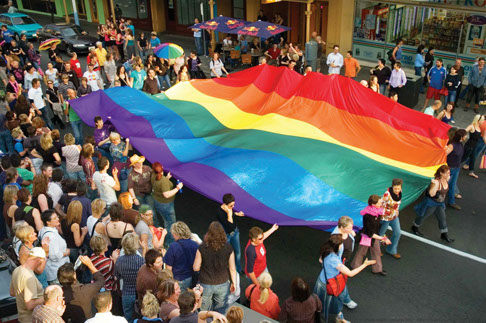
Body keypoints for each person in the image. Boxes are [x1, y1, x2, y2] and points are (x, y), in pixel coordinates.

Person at [314, 234, 375, 323]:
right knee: (331, 303)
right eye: (341, 244)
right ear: (337, 246)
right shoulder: (333, 260)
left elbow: (320, 260)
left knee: (321, 304)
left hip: (322, 280)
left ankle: (330, 317)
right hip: (331, 284)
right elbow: (350, 273)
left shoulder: (326, 250)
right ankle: (334, 317)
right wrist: (365, 264)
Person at [193, 221, 237, 314]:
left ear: (209, 233)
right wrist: (234, 283)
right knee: (220, 308)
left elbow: (196, 268)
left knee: (203, 309)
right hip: (222, 283)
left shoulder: (202, 247)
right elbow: (232, 268)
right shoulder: (228, 248)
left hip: (205, 283)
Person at [412, 165, 455, 242]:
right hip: (431, 203)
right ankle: (415, 226)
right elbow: (431, 194)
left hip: (440, 203)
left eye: (449, 172)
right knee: (423, 216)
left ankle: (444, 234)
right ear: (441, 173)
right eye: (447, 173)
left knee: (442, 218)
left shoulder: (446, 179)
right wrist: (435, 185)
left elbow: (444, 192)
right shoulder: (436, 182)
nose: (449, 174)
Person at [350, 195, 391, 275]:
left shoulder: (377, 212)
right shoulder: (368, 216)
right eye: (379, 203)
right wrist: (383, 238)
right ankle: (355, 266)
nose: (381, 204)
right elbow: (370, 233)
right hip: (367, 236)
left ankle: (377, 269)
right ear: (373, 204)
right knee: (362, 252)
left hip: (374, 235)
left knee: (376, 252)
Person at [115, 233, 147, 322]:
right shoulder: (141, 260)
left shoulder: (119, 261)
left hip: (126, 293)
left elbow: (117, 276)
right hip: (139, 293)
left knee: (128, 318)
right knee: (139, 317)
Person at [9, 247, 45, 323]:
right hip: (31, 320)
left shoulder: (17, 270)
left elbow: (12, 293)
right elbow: (30, 305)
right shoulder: (30, 277)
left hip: (21, 318)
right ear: (39, 260)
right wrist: (45, 297)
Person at [151, 162, 182, 244]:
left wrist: (167, 178)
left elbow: (159, 186)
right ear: (162, 168)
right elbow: (166, 195)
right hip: (166, 205)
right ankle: (170, 242)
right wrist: (178, 188)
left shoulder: (153, 176)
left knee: (165, 219)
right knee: (170, 223)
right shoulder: (163, 181)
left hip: (157, 201)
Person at [164, 221, 199, 291]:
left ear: (177, 234)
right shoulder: (195, 244)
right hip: (192, 277)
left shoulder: (173, 246)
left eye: (173, 234)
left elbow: (168, 268)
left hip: (178, 279)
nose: (173, 236)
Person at [38, 210, 70, 284]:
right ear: (48, 222)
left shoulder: (43, 230)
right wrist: (66, 253)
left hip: (55, 269)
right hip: (56, 271)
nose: (58, 219)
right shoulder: (51, 236)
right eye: (54, 218)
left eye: (57, 217)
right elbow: (54, 255)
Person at [217, 193, 244, 273]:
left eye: (233, 205)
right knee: (225, 253)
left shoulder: (229, 209)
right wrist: (229, 213)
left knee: (237, 252)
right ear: (225, 204)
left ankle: (238, 269)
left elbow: (232, 217)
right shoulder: (220, 213)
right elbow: (230, 225)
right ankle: (224, 271)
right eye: (231, 206)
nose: (233, 207)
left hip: (235, 233)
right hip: (226, 235)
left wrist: (236, 214)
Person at [379, 179, 403, 259]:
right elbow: (380, 204)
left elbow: (398, 203)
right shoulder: (387, 194)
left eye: (398, 189)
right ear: (392, 187)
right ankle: (376, 250)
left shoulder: (400, 193)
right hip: (386, 217)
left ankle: (391, 250)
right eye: (395, 189)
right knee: (380, 234)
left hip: (394, 216)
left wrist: (397, 210)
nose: (397, 190)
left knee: (397, 232)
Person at [446, 129, 467, 211]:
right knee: (445, 187)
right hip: (450, 169)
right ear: (461, 137)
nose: (466, 137)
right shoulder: (452, 145)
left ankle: (451, 202)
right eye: (465, 136)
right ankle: (438, 202)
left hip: (456, 168)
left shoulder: (460, 144)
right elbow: (444, 155)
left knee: (452, 186)